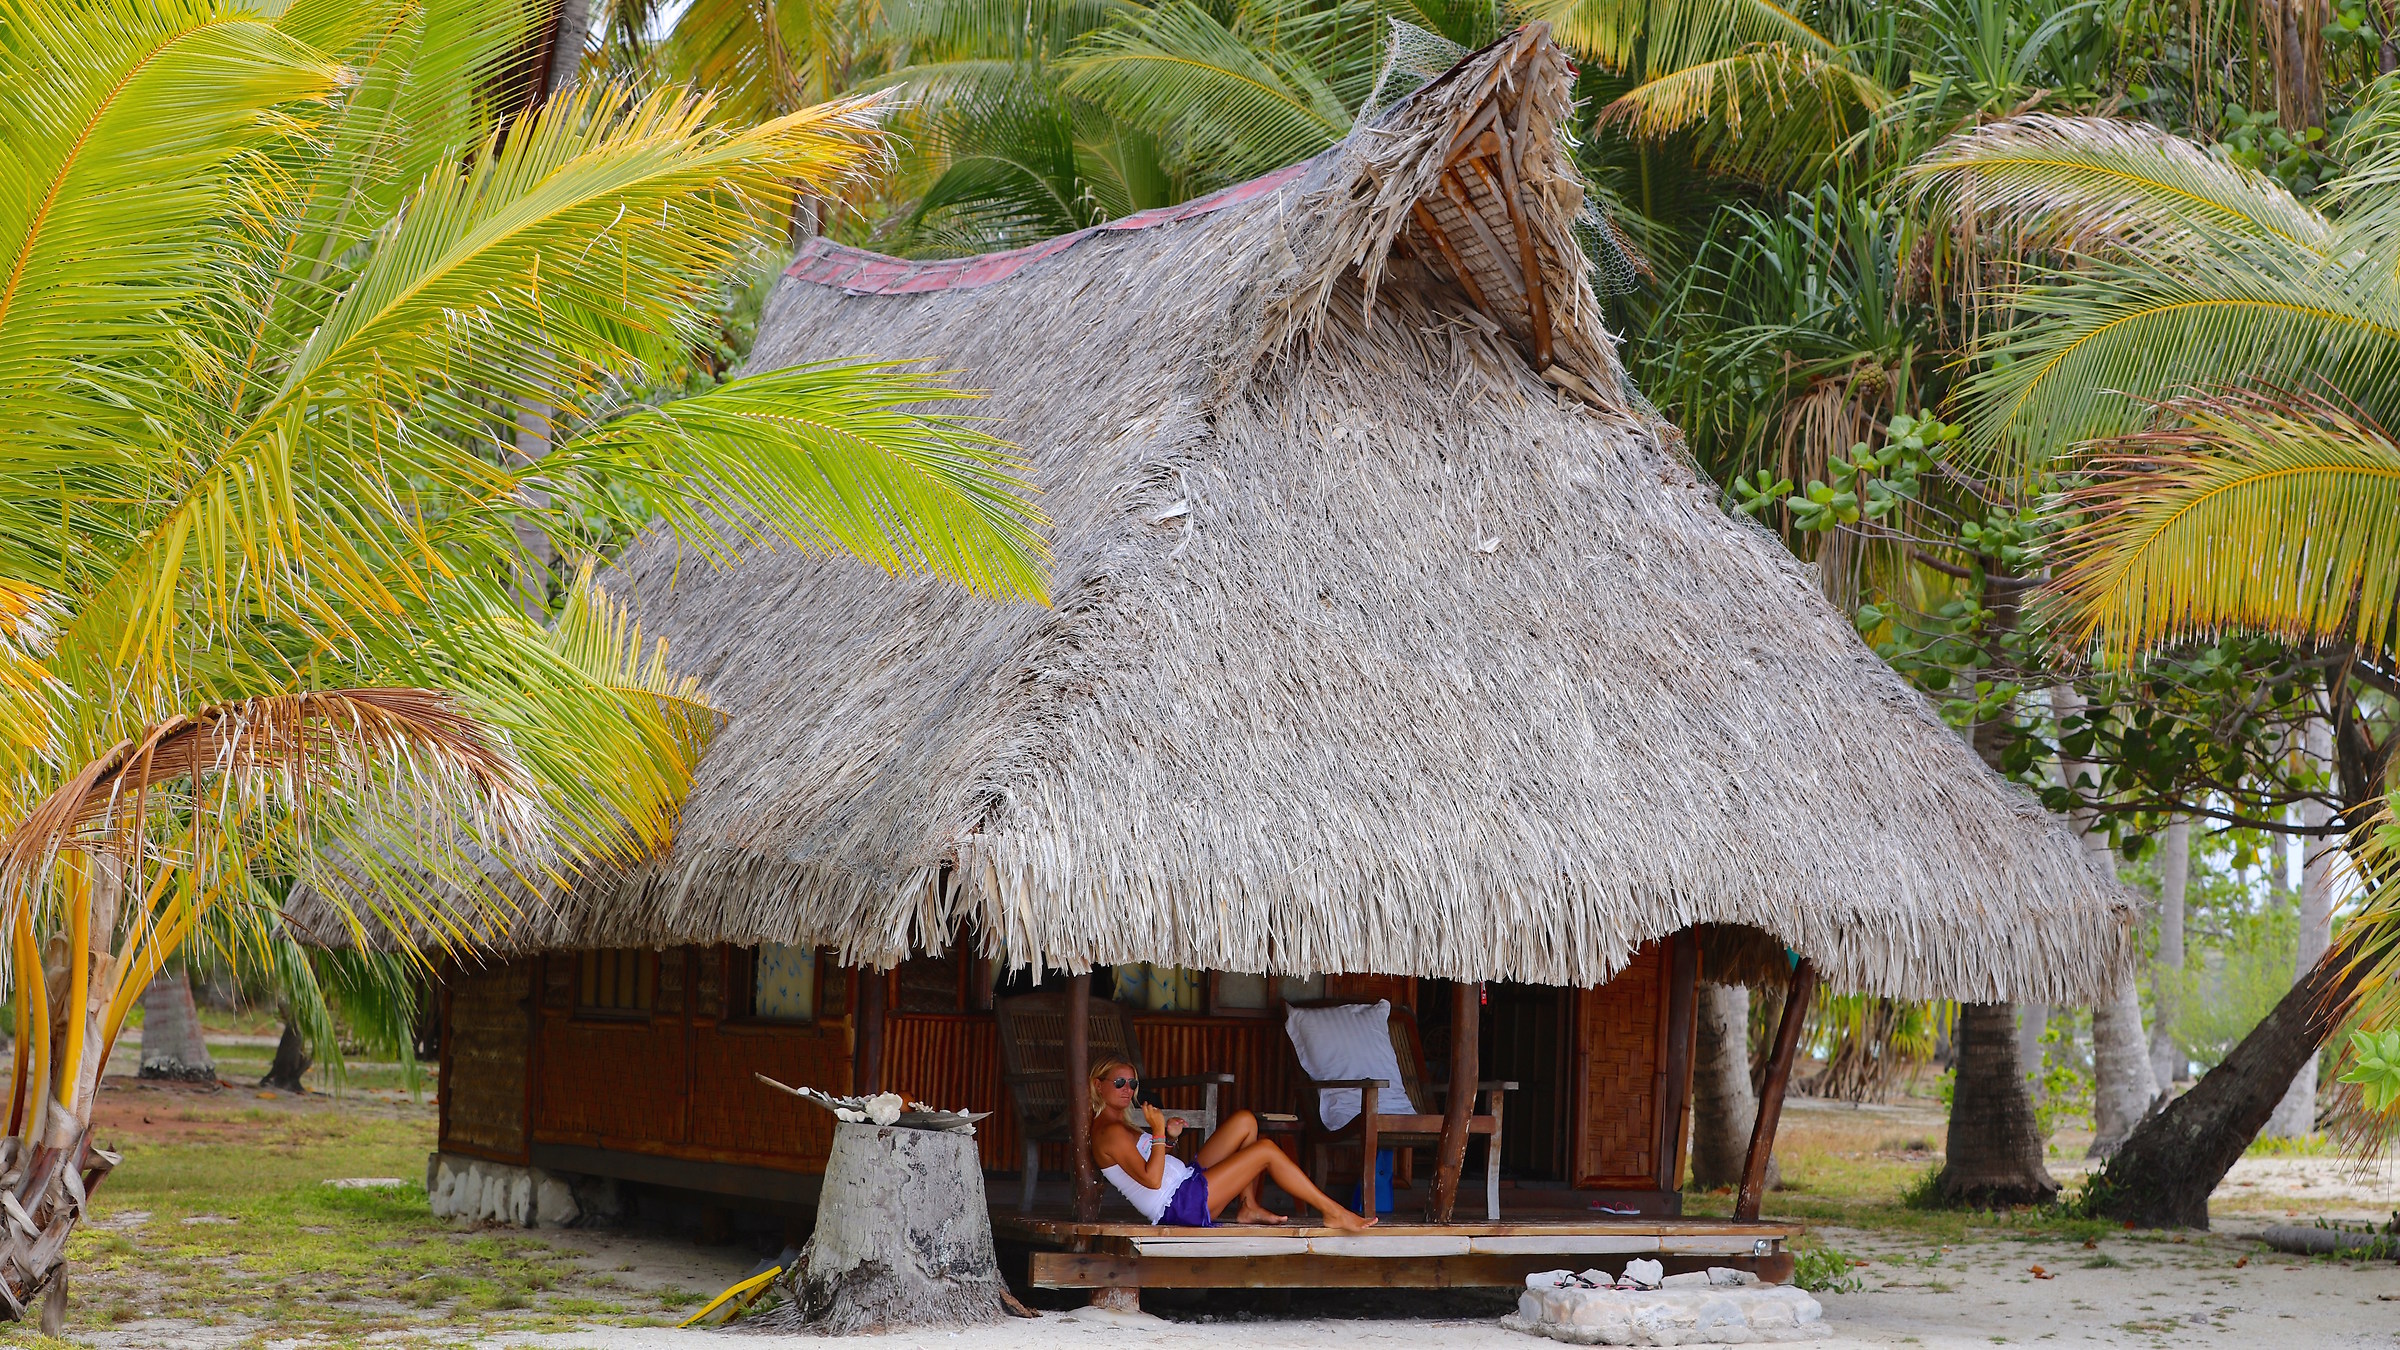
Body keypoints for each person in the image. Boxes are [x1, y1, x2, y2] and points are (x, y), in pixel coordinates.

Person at [1086, 1058, 1378, 1230]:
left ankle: (1248, 1205)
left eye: (1132, 1084)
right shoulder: (1108, 1133)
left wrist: (1169, 1139)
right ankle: (1333, 1212)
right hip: (1178, 1204)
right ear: (1098, 1085)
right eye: (1119, 1083)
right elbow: (1151, 1180)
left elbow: (1151, 1163)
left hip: (1185, 1182)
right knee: (1265, 1151)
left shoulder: (1117, 1124)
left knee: (1245, 1122)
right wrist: (1159, 1131)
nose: (1128, 1090)